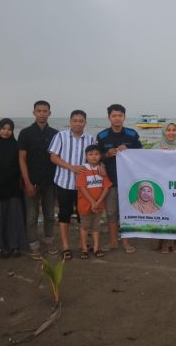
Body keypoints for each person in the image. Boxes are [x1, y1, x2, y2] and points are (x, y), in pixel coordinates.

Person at [97, 104, 143, 254]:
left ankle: (126, 242)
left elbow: (143, 156)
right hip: (110, 182)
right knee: (111, 213)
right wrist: (106, 155)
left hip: (129, 182)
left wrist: (129, 151)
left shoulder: (132, 134)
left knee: (127, 212)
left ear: (124, 117)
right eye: (114, 116)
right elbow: (96, 158)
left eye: (120, 115)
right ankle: (112, 242)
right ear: (109, 117)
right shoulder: (102, 136)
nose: (117, 118)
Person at [49, 110, 95, 260]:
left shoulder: (90, 139)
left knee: (84, 216)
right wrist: (72, 167)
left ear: (85, 122)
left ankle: (83, 245)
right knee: (64, 214)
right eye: (75, 120)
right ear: (70, 121)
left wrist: (100, 166)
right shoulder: (60, 136)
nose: (77, 123)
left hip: (84, 187)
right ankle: (66, 247)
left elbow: (95, 158)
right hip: (64, 183)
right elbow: (53, 157)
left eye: (81, 121)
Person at [18, 100, 59, 260]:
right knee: (31, 216)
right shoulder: (26, 133)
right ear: (33, 112)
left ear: (49, 113)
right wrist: (27, 182)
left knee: (50, 215)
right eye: (39, 110)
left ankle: (49, 242)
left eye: (45, 111)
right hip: (31, 182)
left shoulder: (55, 134)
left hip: (50, 182)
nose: (42, 113)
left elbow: (57, 157)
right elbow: (22, 159)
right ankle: (33, 245)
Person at [0, 119, 27, 258]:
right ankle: (1, 246)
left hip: (13, 185)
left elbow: (20, 164)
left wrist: (15, 177)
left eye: (9, 129)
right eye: (3, 128)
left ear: (12, 130)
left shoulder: (16, 145)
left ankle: (14, 245)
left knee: (13, 216)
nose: (6, 131)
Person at [151, 121, 176, 253]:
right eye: (168, 130)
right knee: (163, 213)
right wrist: (159, 154)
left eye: (174, 130)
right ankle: (165, 242)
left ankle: (174, 242)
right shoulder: (156, 146)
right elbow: (149, 164)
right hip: (162, 184)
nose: (171, 133)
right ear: (164, 132)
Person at [76, 145, 112, 259]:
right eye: (90, 154)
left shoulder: (102, 170)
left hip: (99, 205)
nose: (94, 157)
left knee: (96, 227)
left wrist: (98, 202)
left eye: (96, 154)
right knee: (85, 226)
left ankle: (96, 247)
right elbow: (82, 187)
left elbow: (106, 187)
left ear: (100, 156)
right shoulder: (83, 170)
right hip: (85, 205)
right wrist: (92, 202)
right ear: (86, 157)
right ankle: (84, 248)